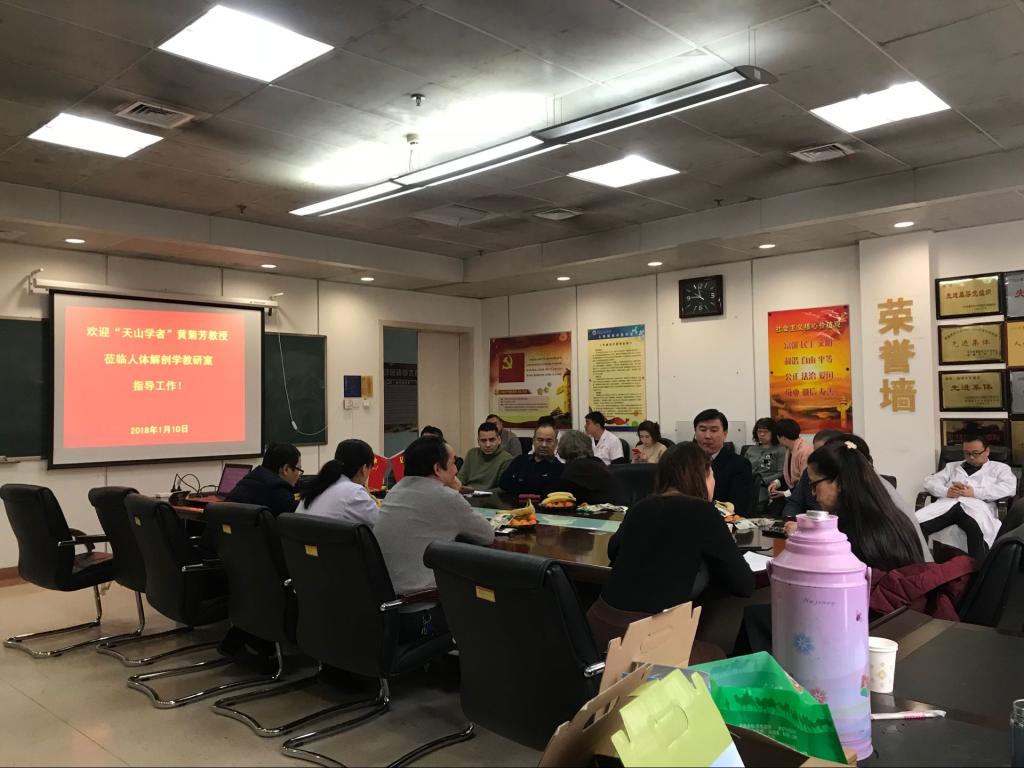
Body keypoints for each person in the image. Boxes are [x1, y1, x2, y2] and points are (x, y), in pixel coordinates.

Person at [586, 442, 754, 653]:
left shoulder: (641, 507)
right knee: (716, 653)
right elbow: (744, 585)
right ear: (701, 476)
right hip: (643, 641)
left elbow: (613, 550)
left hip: (597, 629)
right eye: (712, 475)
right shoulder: (704, 512)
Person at [373, 436, 494, 641]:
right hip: (420, 614)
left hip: (385, 610)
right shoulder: (446, 496)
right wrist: (456, 491)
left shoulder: (396, 490)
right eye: (453, 462)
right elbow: (486, 535)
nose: (456, 470)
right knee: (488, 603)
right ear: (438, 468)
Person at [805, 440, 926, 571]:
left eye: (814, 485)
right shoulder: (894, 517)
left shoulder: (851, 537)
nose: (812, 493)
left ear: (839, 482)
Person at [916, 434, 1017, 560]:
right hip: (947, 505)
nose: (971, 457)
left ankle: (979, 571)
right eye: (967, 453)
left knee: (978, 533)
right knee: (915, 526)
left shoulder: (999, 468)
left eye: (975, 453)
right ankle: (918, 566)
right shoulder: (952, 466)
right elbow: (930, 482)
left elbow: (1008, 488)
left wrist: (974, 492)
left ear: (987, 451)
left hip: (977, 508)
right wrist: (946, 491)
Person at [299, 439, 380, 527]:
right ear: (364, 468)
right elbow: (383, 524)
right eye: (370, 469)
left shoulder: (317, 486)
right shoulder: (354, 492)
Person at [693, 408, 755, 517]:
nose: (707, 436)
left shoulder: (739, 465)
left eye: (713, 430)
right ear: (695, 433)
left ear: (725, 434)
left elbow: (739, 507)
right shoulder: (685, 462)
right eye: (702, 430)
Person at [225, 443, 302, 517]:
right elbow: (301, 512)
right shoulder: (277, 491)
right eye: (298, 470)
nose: (299, 475)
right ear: (286, 469)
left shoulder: (253, 478)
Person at [781, 428, 843, 518]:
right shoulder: (809, 472)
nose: (817, 456)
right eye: (815, 451)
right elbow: (794, 502)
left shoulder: (847, 475)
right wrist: (791, 519)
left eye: (822, 452)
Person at [499, 423, 565, 496]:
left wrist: (520, 481)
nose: (544, 445)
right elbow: (503, 483)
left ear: (555, 443)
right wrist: (538, 484)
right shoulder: (520, 460)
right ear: (533, 441)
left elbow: (551, 491)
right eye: (540, 440)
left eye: (549, 441)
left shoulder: (561, 469)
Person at [555, 429, 612, 504]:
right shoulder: (599, 462)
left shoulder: (570, 470)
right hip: (609, 507)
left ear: (563, 448)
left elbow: (561, 496)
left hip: (581, 508)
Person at [457, 422, 514, 491]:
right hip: (467, 494)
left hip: (491, 496)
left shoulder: (507, 459)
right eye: (483, 440)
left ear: (499, 440)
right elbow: (461, 478)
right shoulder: (472, 453)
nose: (487, 445)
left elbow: (502, 489)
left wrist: (477, 492)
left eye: (492, 440)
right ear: (478, 441)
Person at [744, 418, 786, 511]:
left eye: (765, 432)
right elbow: (742, 469)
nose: (762, 434)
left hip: (766, 486)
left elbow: (781, 473)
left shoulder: (780, 450)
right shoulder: (751, 450)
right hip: (747, 484)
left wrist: (762, 481)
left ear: (773, 433)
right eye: (759, 431)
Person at [767, 418, 812, 503]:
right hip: (793, 492)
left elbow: (806, 482)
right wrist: (776, 483)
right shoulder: (789, 449)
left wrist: (785, 493)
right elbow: (788, 475)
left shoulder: (805, 452)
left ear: (783, 438)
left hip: (804, 496)